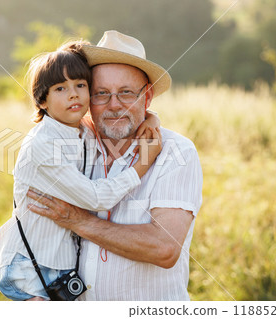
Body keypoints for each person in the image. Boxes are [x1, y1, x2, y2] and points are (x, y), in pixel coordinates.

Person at [27, 30, 203, 301]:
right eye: (101, 94)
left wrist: (77, 220)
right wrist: (33, 293)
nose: (114, 106)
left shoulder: (175, 152)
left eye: (126, 93)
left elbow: (164, 248)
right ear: (86, 99)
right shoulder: (74, 143)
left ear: (147, 97)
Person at [0, 41, 163, 301]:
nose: (73, 94)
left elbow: (122, 113)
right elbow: (97, 199)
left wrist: (152, 119)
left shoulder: (81, 129)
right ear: (42, 100)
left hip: (57, 265)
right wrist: (142, 164)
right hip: (30, 267)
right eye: (61, 88)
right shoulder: (43, 144)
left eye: (80, 86)